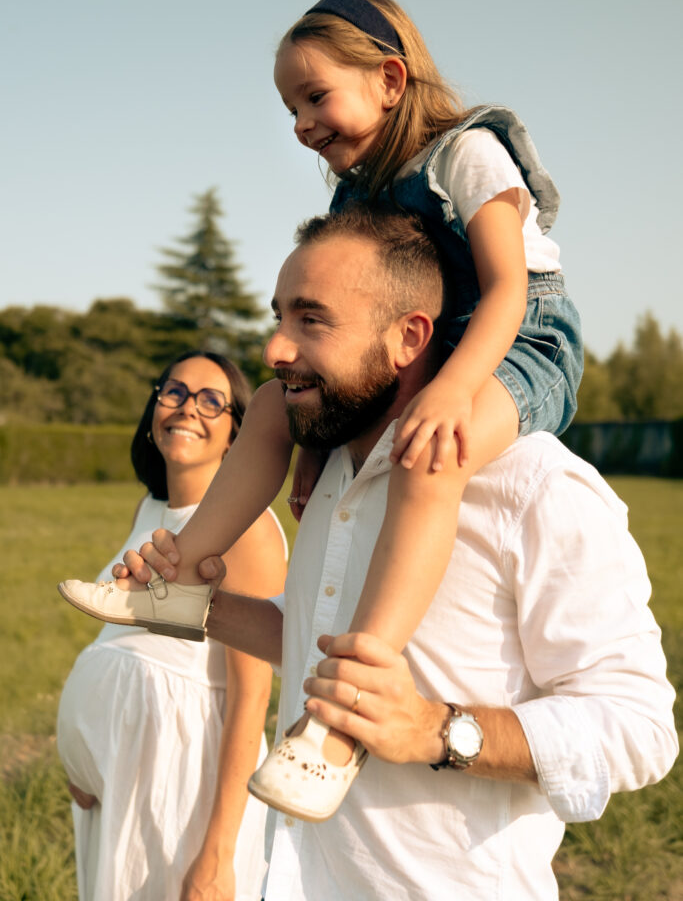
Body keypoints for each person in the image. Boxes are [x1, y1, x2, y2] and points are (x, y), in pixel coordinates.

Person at [59, 0, 584, 820]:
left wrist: (450, 390)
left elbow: (509, 289)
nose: (301, 123)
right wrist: (310, 449)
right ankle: (181, 576)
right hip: (421, 350)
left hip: (514, 342)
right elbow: (341, 350)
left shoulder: (467, 152)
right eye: (289, 107)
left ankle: (340, 719)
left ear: (388, 77)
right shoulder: (357, 197)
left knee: (429, 452)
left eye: (313, 97)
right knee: (267, 401)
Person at [110, 208, 677, 901]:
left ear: (408, 337)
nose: (274, 350)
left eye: (310, 321)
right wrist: (191, 608)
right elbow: (319, 641)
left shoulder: (537, 488)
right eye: (278, 316)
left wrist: (437, 731)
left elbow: (638, 729)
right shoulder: (327, 478)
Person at [56, 351, 288, 901]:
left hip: (184, 780)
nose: (187, 409)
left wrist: (218, 855)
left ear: (237, 433)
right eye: (175, 392)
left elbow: (251, 699)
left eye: (212, 400)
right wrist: (86, 758)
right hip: (121, 782)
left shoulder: (248, 529)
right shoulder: (152, 509)